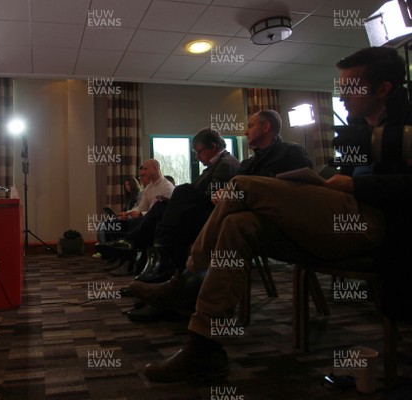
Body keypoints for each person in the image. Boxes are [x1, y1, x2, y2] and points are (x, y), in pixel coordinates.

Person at [143, 46, 412, 383]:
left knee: (242, 185)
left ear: (384, 89)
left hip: (375, 225)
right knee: (239, 225)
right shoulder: (360, 129)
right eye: (340, 87)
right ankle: (204, 346)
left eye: (350, 88)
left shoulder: (407, 125)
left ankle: (187, 276)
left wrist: (356, 187)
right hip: (340, 220)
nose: (341, 96)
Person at [127, 111, 312, 321]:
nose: (245, 131)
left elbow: (301, 188)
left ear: (266, 126)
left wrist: (239, 192)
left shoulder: (292, 152)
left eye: (250, 126)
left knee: (183, 203)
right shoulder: (248, 163)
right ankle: (168, 282)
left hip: (271, 222)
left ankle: (167, 279)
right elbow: (234, 188)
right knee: (175, 209)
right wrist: (226, 194)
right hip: (237, 215)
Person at [100, 129, 240, 278]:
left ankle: (139, 253)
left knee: (176, 199)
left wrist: (179, 199)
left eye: (199, 152)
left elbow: (212, 198)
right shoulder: (217, 164)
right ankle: (150, 268)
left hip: (211, 216)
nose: (197, 157)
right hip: (199, 211)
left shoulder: (226, 164)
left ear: (212, 146)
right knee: (161, 209)